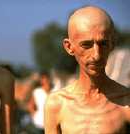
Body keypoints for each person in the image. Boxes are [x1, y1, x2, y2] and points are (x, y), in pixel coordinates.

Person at [44, 6, 130, 134]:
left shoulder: (126, 101)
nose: (96, 55)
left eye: (103, 44)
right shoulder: (56, 104)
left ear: (112, 44)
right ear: (69, 47)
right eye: (86, 45)